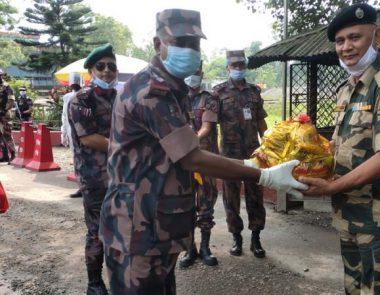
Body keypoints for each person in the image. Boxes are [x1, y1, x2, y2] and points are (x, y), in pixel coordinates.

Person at [99, 9, 306, 294]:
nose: (189, 50)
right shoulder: (151, 91)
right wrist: (263, 175)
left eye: (194, 44)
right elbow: (192, 157)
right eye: (180, 42)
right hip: (137, 228)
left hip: (154, 224)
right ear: (158, 44)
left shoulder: (171, 88)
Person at [300, 3, 380, 294]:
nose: (346, 47)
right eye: (340, 41)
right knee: (353, 289)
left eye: (355, 38)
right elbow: (346, 145)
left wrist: (331, 187)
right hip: (349, 214)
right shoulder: (347, 89)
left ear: (376, 36)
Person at [69, 43, 118, 295]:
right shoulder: (82, 99)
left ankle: (119, 278)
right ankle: (94, 283)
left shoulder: (119, 98)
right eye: (101, 66)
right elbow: (88, 138)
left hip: (122, 176)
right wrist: (124, 148)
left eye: (111, 66)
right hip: (95, 177)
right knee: (97, 231)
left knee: (121, 229)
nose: (107, 71)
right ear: (91, 71)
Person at [213, 49, 268, 258]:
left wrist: (269, 145)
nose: (238, 68)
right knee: (231, 197)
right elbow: (210, 124)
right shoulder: (218, 92)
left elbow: (261, 122)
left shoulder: (254, 92)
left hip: (253, 153)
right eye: (234, 65)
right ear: (227, 67)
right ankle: (236, 238)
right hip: (230, 155)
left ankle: (256, 239)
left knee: (256, 196)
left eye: (241, 65)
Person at [178, 65, 219, 268]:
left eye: (196, 72)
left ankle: (205, 248)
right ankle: (189, 250)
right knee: (185, 204)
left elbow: (207, 126)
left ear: (201, 74)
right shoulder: (177, 96)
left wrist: (193, 139)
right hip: (182, 161)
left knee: (206, 204)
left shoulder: (209, 98)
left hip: (205, 160)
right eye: (189, 71)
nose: (192, 76)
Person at [62, 83, 83, 198]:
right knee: (77, 159)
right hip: (73, 132)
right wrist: (64, 132)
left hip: (87, 133)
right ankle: (81, 187)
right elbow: (65, 115)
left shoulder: (88, 96)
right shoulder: (67, 97)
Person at [0, 69, 16, 162]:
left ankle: (13, 155)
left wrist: (4, 110)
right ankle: (5, 156)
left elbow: (11, 101)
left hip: (5, 114)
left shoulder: (7, 87)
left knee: (7, 134)